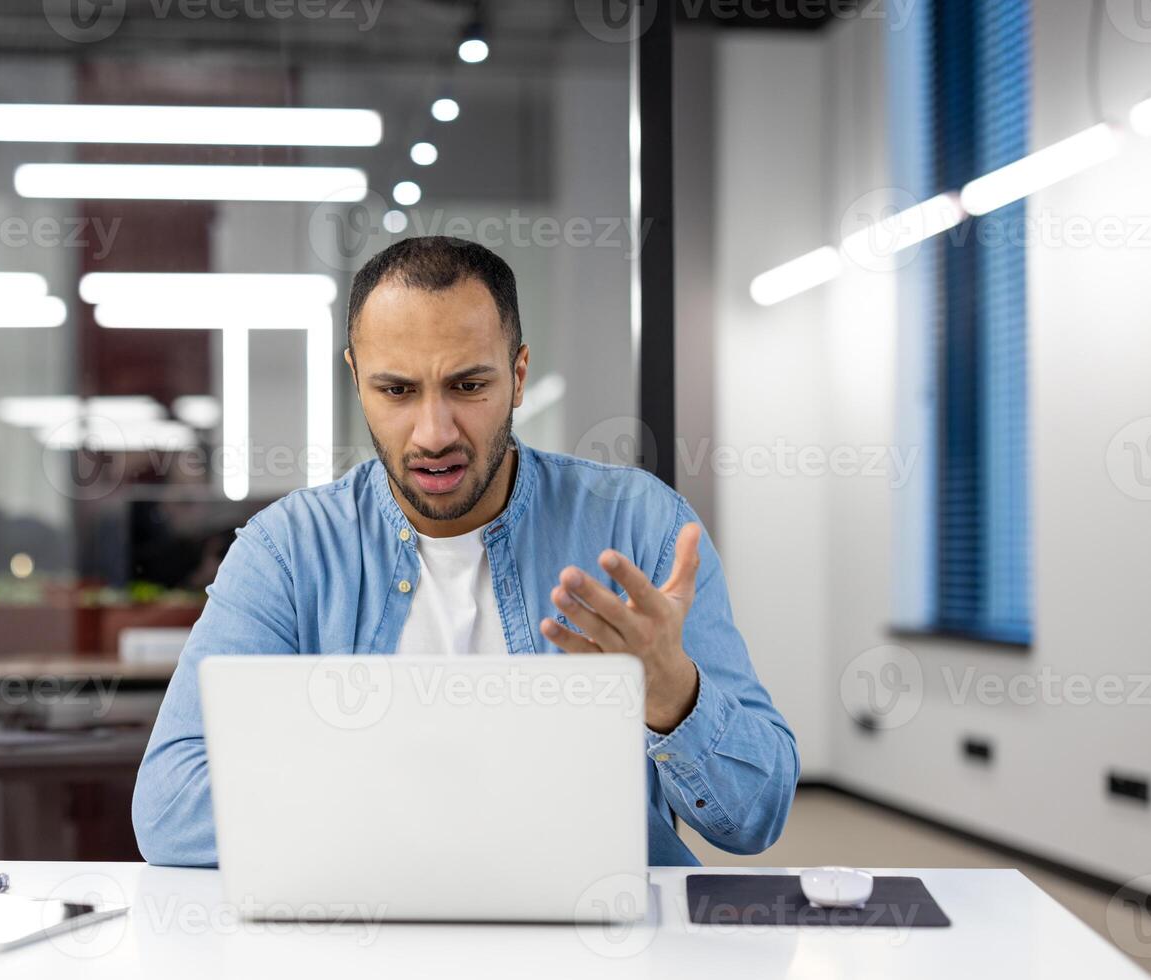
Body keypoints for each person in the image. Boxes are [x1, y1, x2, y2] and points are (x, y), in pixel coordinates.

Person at [133, 236, 798, 866]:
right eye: (396, 390)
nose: (433, 432)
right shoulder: (288, 552)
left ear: (519, 373)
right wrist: (441, 804)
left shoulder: (639, 525)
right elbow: (170, 807)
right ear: (356, 377)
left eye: (468, 386)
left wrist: (672, 696)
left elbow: (755, 817)